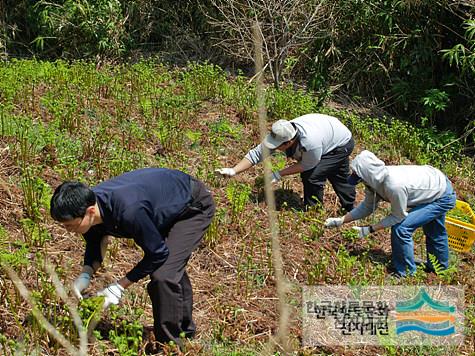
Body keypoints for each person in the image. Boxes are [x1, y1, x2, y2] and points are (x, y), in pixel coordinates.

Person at [50, 168, 215, 346]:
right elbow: (94, 242)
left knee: (164, 275)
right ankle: (184, 330)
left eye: (71, 226)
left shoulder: (128, 210)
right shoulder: (91, 207)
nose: (69, 231)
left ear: (90, 211)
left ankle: (170, 345)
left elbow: (157, 253)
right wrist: (85, 274)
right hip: (164, 204)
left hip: (192, 206)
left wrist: (119, 287)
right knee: (172, 266)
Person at [324, 150, 456, 277]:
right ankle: (439, 269)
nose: (360, 182)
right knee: (434, 230)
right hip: (431, 186)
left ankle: (406, 273)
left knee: (402, 228)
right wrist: (341, 220)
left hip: (441, 195)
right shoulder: (373, 181)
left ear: (368, 175)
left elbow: (398, 216)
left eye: (361, 178)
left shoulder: (394, 186)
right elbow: (367, 207)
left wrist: (369, 229)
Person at [216, 113, 356, 211]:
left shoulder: (310, 143)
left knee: (313, 175)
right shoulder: (282, 132)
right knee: (336, 173)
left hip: (341, 143)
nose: (274, 148)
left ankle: (314, 210)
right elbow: (257, 153)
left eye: (277, 146)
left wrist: (278, 174)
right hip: (329, 133)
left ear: (289, 142)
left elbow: (307, 165)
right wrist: (233, 170)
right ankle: (349, 207)